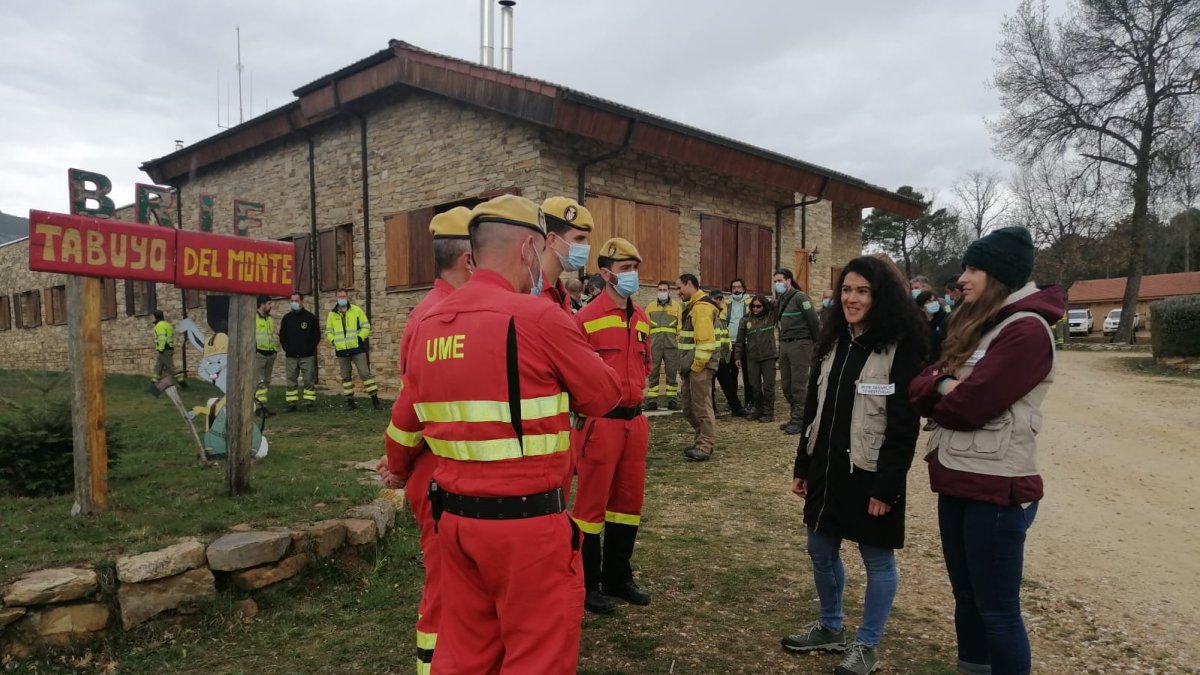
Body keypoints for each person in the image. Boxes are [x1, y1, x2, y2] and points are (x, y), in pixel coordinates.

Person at [384, 194, 621, 674]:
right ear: (529, 249)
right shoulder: (538, 317)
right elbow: (604, 397)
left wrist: (395, 468)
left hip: (454, 522)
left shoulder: (427, 322)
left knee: (466, 652)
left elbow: (404, 420)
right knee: (537, 655)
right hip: (527, 527)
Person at [909, 226, 1061, 675]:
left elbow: (969, 407)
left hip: (996, 489)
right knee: (967, 598)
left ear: (999, 275)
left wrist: (946, 389)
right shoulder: (977, 324)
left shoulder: (1026, 331)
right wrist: (942, 382)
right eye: (964, 268)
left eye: (973, 268)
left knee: (997, 610)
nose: (963, 278)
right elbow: (918, 387)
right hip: (956, 477)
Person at [782, 255, 926, 675]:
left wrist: (888, 487)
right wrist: (802, 464)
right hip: (826, 466)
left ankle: (867, 644)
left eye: (862, 290)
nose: (851, 298)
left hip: (870, 472)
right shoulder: (833, 339)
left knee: (877, 559)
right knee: (819, 548)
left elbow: (903, 425)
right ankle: (830, 627)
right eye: (847, 289)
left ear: (880, 296)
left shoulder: (902, 345)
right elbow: (814, 406)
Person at [381, 205, 474, 675]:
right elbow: (411, 409)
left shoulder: (432, 311)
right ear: (469, 260)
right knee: (442, 588)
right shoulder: (441, 317)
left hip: (442, 469)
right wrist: (397, 465)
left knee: (458, 587)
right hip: (437, 471)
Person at [572, 237, 654, 615]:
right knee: (590, 508)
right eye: (625, 269)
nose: (632, 275)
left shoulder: (642, 318)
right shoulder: (584, 319)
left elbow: (646, 365)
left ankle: (618, 576)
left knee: (627, 505)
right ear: (606, 274)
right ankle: (588, 583)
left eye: (635, 268)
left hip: (634, 425)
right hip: (599, 426)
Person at [677, 274, 721, 461]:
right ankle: (701, 439)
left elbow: (705, 342)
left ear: (689, 284)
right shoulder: (695, 307)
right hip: (692, 367)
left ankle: (705, 445)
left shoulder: (701, 308)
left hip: (699, 367)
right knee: (689, 407)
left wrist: (696, 367)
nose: (678, 292)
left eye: (679, 287)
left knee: (701, 407)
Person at [773, 268, 820, 435]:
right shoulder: (780, 300)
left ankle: (800, 420)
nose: (777, 284)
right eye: (775, 281)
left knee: (799, 384)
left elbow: (813, 321)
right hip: (785, 345)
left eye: (779, 280)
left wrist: (816, 343)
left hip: (800, 344)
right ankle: (795, 416)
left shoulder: (800, 297)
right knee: (786, 384)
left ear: (788, 281)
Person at [326, 288, 380, 410]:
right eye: (339, 297)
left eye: (344, 296)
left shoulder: (356, 310)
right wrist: (333, 340)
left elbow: (366, 326)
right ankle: (350, 402)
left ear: (347, 297)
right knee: (345, 377)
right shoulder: (332, 314)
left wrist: (360, 338)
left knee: (365, 374)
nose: (342, 298)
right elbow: (329, 331)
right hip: (341, 350)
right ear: (336, 298)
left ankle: (375, 401)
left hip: (357, 348)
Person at [539, 196, 594, 314]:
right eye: (579, 238)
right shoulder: (530, 291)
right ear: (553, 240)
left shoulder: (561, 293)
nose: (586, 246)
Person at [734, 294, 777, 423]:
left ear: (764, 306)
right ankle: (758, 409)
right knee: (755, 385)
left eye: (759, 306)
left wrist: (771, 302)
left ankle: (769, 412)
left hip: (769, 355)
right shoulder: (746, 320)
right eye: (753, 306)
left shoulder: (770, 317)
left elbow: (777, 304)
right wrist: (737, 356)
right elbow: (740, 340)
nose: (756, 309)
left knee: (768, 386)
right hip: (752, 357)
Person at [278, 292, 319, 412]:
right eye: (292, 301)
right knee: (291, 380)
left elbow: (316, 336)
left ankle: (309, 403)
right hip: (291, 356)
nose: (294, 303)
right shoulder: (286, 318)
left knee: (308, 380)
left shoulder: (310, 318)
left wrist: (309, 349)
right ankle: (291, 404)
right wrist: (287, 349)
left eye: (296, 300)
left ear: (302, 301)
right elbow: (282, 336)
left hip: (307, 356)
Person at [646, 280, 682, 411]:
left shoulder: (677, 307)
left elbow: (680, 326)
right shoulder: (650, 307)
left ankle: (672, 400)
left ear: (669, 291)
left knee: (672, 372)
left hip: (672, 345)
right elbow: (645, 327)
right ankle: (651, 401)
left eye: (664, 290)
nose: (662, 292)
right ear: (657, 291)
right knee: (653, 372)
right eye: (660, 290)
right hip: (654, 345)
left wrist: (678, 341)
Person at [709, 288, 744, 417]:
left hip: (722, 357)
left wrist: (727, 353)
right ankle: (712, 409)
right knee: (709, 387)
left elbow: (724, 336)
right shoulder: (707, 314)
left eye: (720, 299)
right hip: (711, 356)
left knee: (728, 385)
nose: (718, 301)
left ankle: (737, 408)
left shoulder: (722, 316)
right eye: (715, 299)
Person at [727, 278, 755, 413]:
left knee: (748, 374)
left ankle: (749, 401)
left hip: (746, 343)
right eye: (734, 287)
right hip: (730, 343)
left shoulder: (750, 303)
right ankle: (733, 401)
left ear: (744, 289)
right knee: (731, 374)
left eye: (738, 287)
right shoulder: (727, 303)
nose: (736, 289)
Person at [254, 295, 278, 415]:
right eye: (269, 304)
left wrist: (274, 350)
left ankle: (262, 406)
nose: (271, 306)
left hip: (270, 353)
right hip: (259, 354)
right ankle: (260, 408)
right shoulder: (253, 318)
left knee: (267, 381)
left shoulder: (269, 319)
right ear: (262, 304)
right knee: (260, 382)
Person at [915, 290, 950, 363]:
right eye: (929, 302)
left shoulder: (946, 319)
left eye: (934, 300)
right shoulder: (919, 324)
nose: (933, 303)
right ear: (922, 308)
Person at [152, 310, 179, 381]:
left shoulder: (159, 325)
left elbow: (162, 338)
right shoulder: (168, 324)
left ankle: (183, 384)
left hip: (164, 349)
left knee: (171, 368)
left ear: (155, 317)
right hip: (169, 348)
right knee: (158, 367)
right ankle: (153, 384)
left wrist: (160, 349)